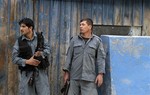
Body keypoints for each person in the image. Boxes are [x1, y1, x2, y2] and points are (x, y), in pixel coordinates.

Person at [63, 18, 106, 95]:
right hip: (74, 77)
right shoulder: (74, 40)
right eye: (80, 25)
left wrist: (100, 74)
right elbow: (69, 56)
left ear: (90, 27)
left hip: (89, 78)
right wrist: (66, 72)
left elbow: (101, 58)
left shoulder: (97, 41)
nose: (80, 26)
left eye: (83, 24)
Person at [12, 18, 50, 95]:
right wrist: (27, 61)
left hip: (41, 74)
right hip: (27, 75)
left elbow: (48, 50)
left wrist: (41, 53)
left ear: (30, 28)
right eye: (20, 26)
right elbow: (14, 58)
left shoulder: (41, 38)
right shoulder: (19, 41)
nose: (21, 29)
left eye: (23, 26)